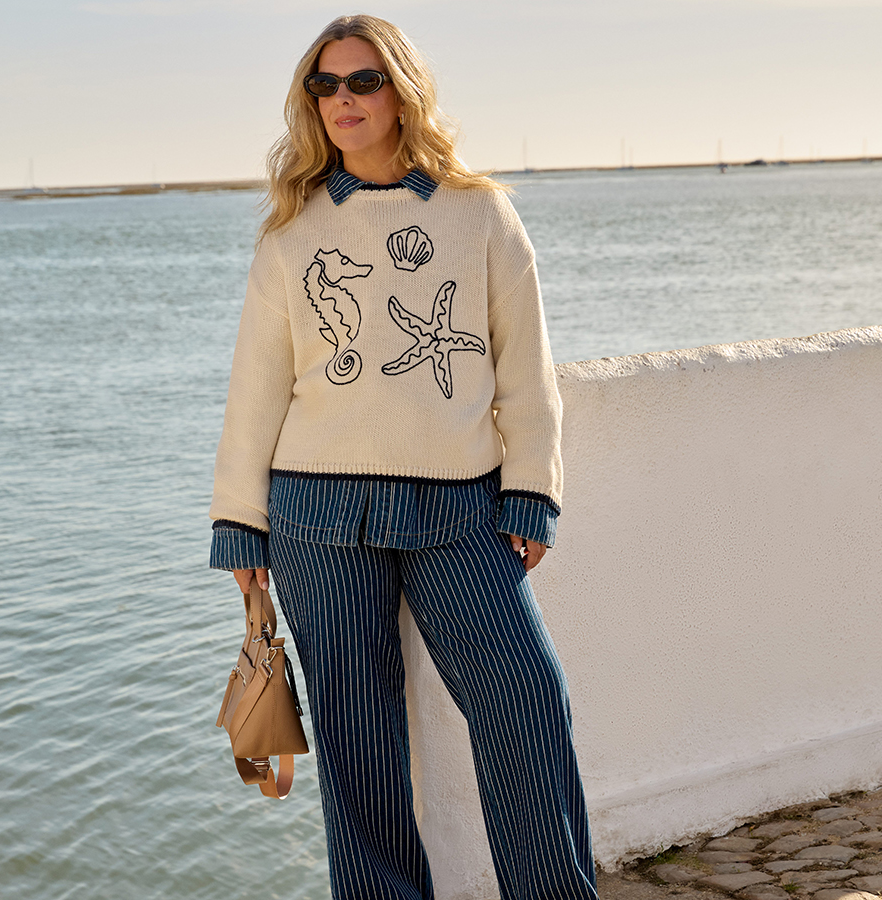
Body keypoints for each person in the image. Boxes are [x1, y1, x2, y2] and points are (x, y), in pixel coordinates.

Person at [207, 13, 598, 900]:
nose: (343, 99)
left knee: (529, 704)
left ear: (401, 91)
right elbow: (256, 393)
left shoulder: (482, 214)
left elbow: (527, 378)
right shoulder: (290, 232)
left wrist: (531, 493)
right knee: (358, 746)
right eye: (325, 85)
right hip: (316, 519)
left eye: (363, 81)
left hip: (461, 512)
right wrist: (241, 528)